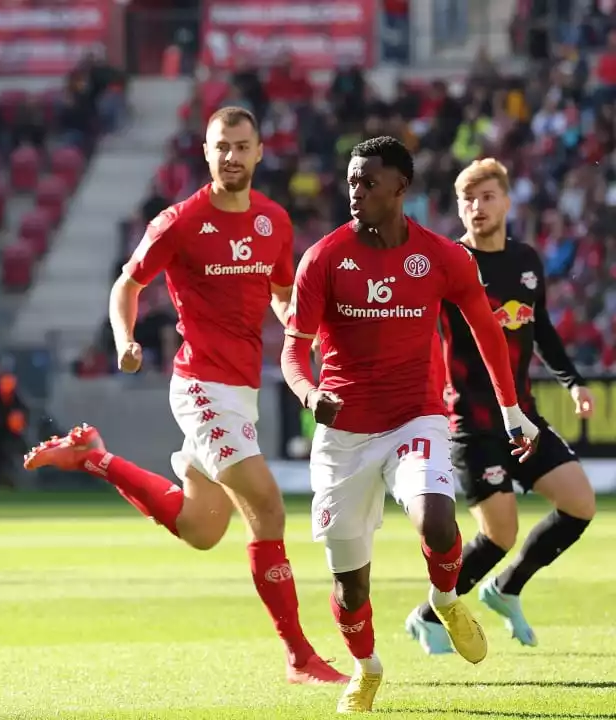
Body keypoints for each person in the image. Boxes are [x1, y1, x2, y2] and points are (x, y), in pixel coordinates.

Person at [25, 107, 347, 686]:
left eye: (242, 146)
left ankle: (93, 457)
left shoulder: (274, 221)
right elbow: (128, 283)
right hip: (199, 387)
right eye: (222, 146)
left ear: (259, 152)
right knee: (269, 510)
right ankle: (299, 655)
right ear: (205, 151)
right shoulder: (179, 220)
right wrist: (125, 339)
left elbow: (282, 298)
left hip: (241, 392)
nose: (232, 156)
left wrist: (308, 334)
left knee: (202, 529)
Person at [280, 137, 540, 713]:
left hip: (414, 419)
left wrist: (512, 409)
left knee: (440, 520)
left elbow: (487, 332)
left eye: (368, 182)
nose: (355, 192)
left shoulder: (444, 257)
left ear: (401, 187)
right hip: (343, 436)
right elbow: (293, 351)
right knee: (351, 587)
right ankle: (366, 668)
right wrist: (307, 391)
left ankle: (446, 598)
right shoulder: (322, 258)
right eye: (350, 181)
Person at [405, 158, 597, 653]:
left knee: (580, 503)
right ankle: (428, 615)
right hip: (470, 422)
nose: (477, 207)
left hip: (522, 417)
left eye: (488, 197)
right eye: (468, 200)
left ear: (507, 201)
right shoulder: (450, 265)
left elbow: (542, 329)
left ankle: (506, 589)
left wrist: (573, 382)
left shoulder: (527, 261)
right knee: (500, 533)